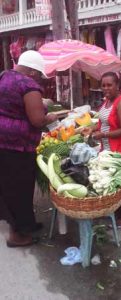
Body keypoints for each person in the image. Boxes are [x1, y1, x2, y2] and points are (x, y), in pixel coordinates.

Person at [0, 50, 58, 247]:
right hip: (18, 147)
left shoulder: (4, 76)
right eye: (40, 74)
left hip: (3, 143)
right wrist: (49, 116)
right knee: (21, 190)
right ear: (33, 72)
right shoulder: (29, 85)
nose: (40, 78)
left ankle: (27, 225)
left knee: (9, 188)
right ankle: (18, 236)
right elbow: (37, 120)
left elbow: (13, 105)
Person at [83, 72, 121, 227]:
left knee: (118, 182)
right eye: (103, 85)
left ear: (117, 85)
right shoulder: (106, 102)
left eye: (109, 85)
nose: (105, 88)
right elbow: (102, 122)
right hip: (107, 147)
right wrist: (91, 129)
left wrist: (103, 134)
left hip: (119, 149)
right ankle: (114, 210)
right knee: (109, 181)